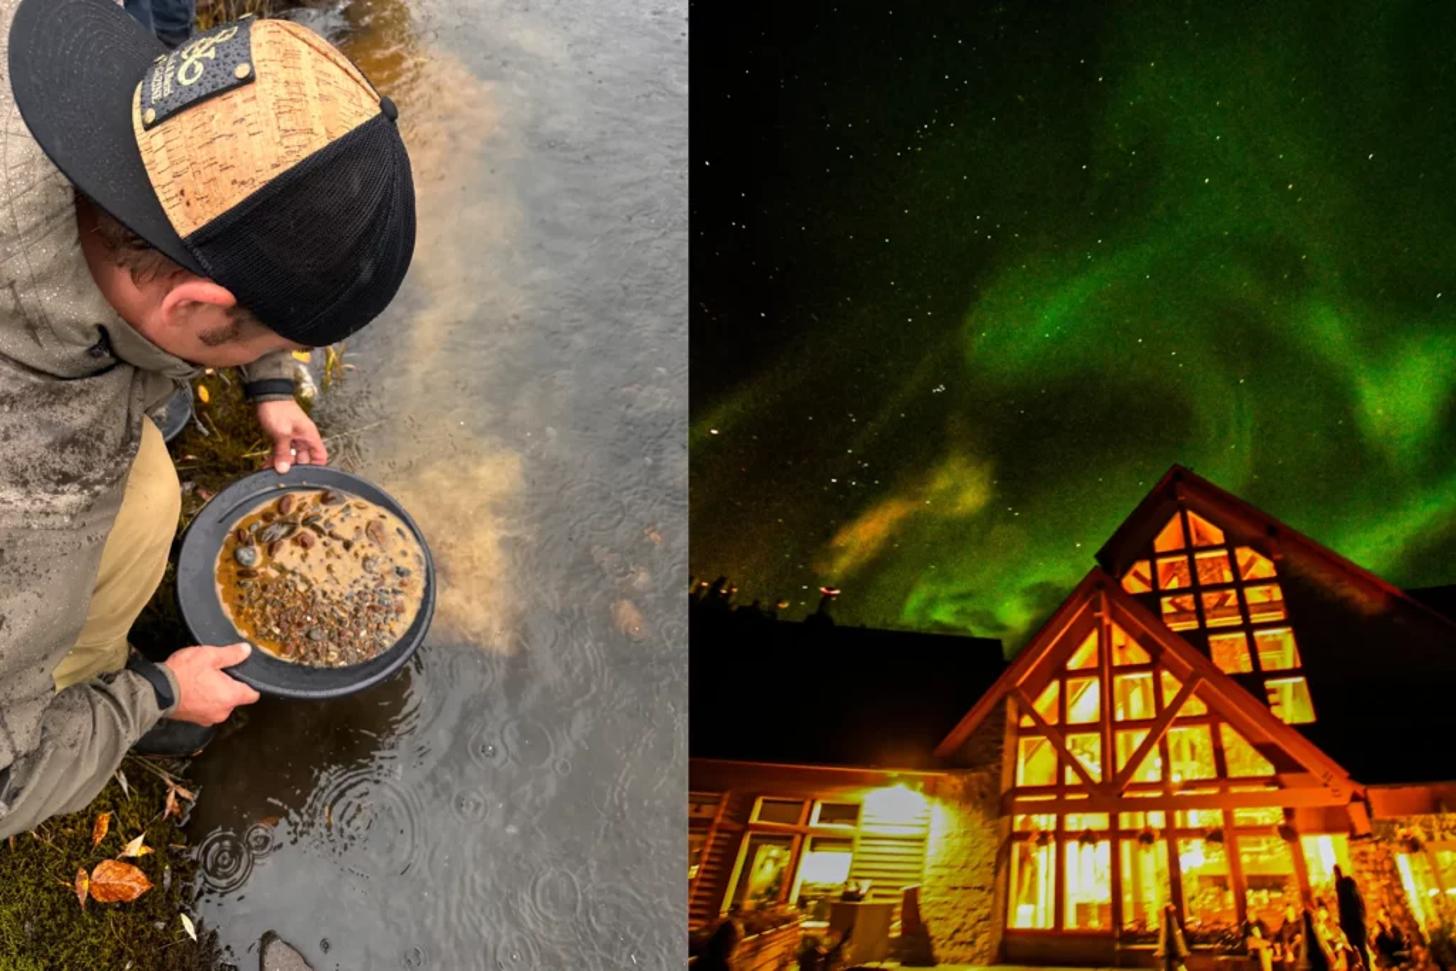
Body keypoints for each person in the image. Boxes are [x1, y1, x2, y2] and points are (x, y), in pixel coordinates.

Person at [0, 0, 415, 838]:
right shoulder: (42, 481)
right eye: (275, 341)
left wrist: (268, 383)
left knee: (152, 488)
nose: (276, 355)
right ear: (192, 304)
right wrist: (152, 695)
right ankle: (75, 682)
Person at [1335, 866, 1371, 971]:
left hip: (1351, 927)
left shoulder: (1345, 903)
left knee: (1355, 951)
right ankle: (1366, 968)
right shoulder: (1357, 900)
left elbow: (1343, 915)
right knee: (1362, 950)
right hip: (1359, 925)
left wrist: (1341, 925)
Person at [1156, 903, 1190, 971]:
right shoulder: (1171, 921)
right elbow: (1176, 936)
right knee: (1177, 966)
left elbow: (1164, 937)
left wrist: (1161, 950)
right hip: (1171, 950)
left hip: (1171, 950)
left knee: (1174, 966)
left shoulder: (1169, 921)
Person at [1277, 904, 1306, 971]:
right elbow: (1282, 939)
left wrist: (1301, 937)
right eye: (1287, 912)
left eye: (1291, 912)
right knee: (1287, 961)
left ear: (1294, 912)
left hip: (1300, 948)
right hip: (1289, 950)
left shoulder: (1300, 922)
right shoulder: (1285, 925)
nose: (1289, 914)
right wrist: (1288, 951)